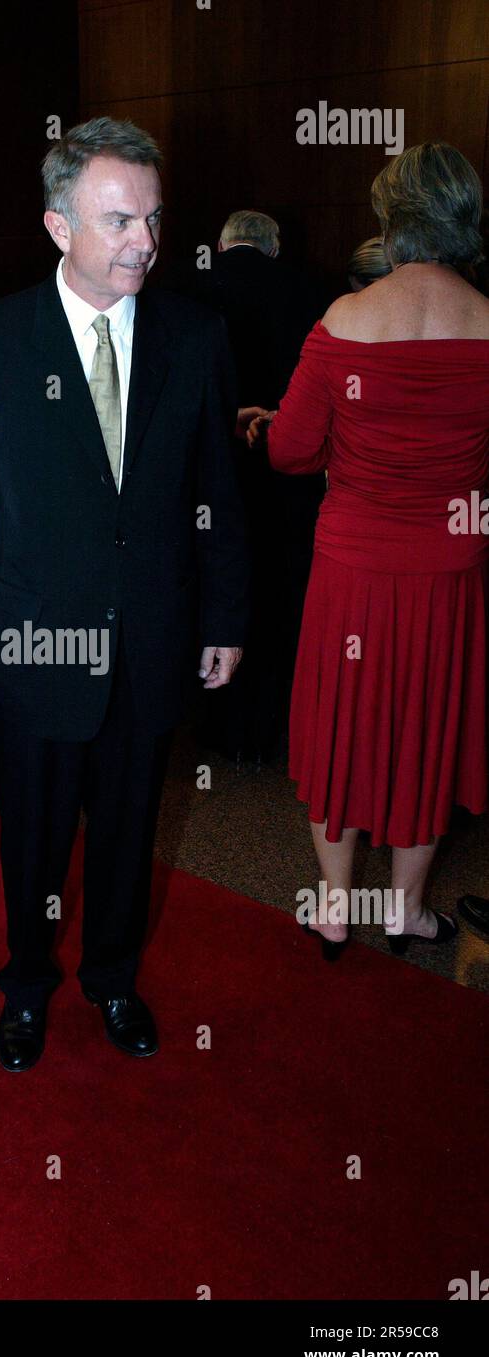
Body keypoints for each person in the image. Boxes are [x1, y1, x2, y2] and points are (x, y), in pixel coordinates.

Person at [0, 117, 249, 1072]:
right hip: (32, 650)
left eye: (151, 219)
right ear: (59, 227)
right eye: (118, 221)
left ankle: (112, 978)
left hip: (150, 638)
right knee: (29, 836)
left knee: (126, 830)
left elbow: (217, 496)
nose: (144, 242)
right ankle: (25, 985)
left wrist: (224, 615)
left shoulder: (195, 335)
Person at [249, 142, 489, 960]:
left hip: (351, 567)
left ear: (390, 220)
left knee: (339, 727)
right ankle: (406, 911)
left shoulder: (344, 320)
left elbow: (287, 449)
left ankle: (330, 908)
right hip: (448, 571)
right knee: (428, 725)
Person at [194, 210, 327, 762]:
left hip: (205, 480)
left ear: (221, 247)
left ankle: (212, 724)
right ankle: (277, 726)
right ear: (273, 251)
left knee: (213, 593)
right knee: (281, 599)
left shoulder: (184, 290)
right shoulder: (315, 293)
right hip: (288, 480)